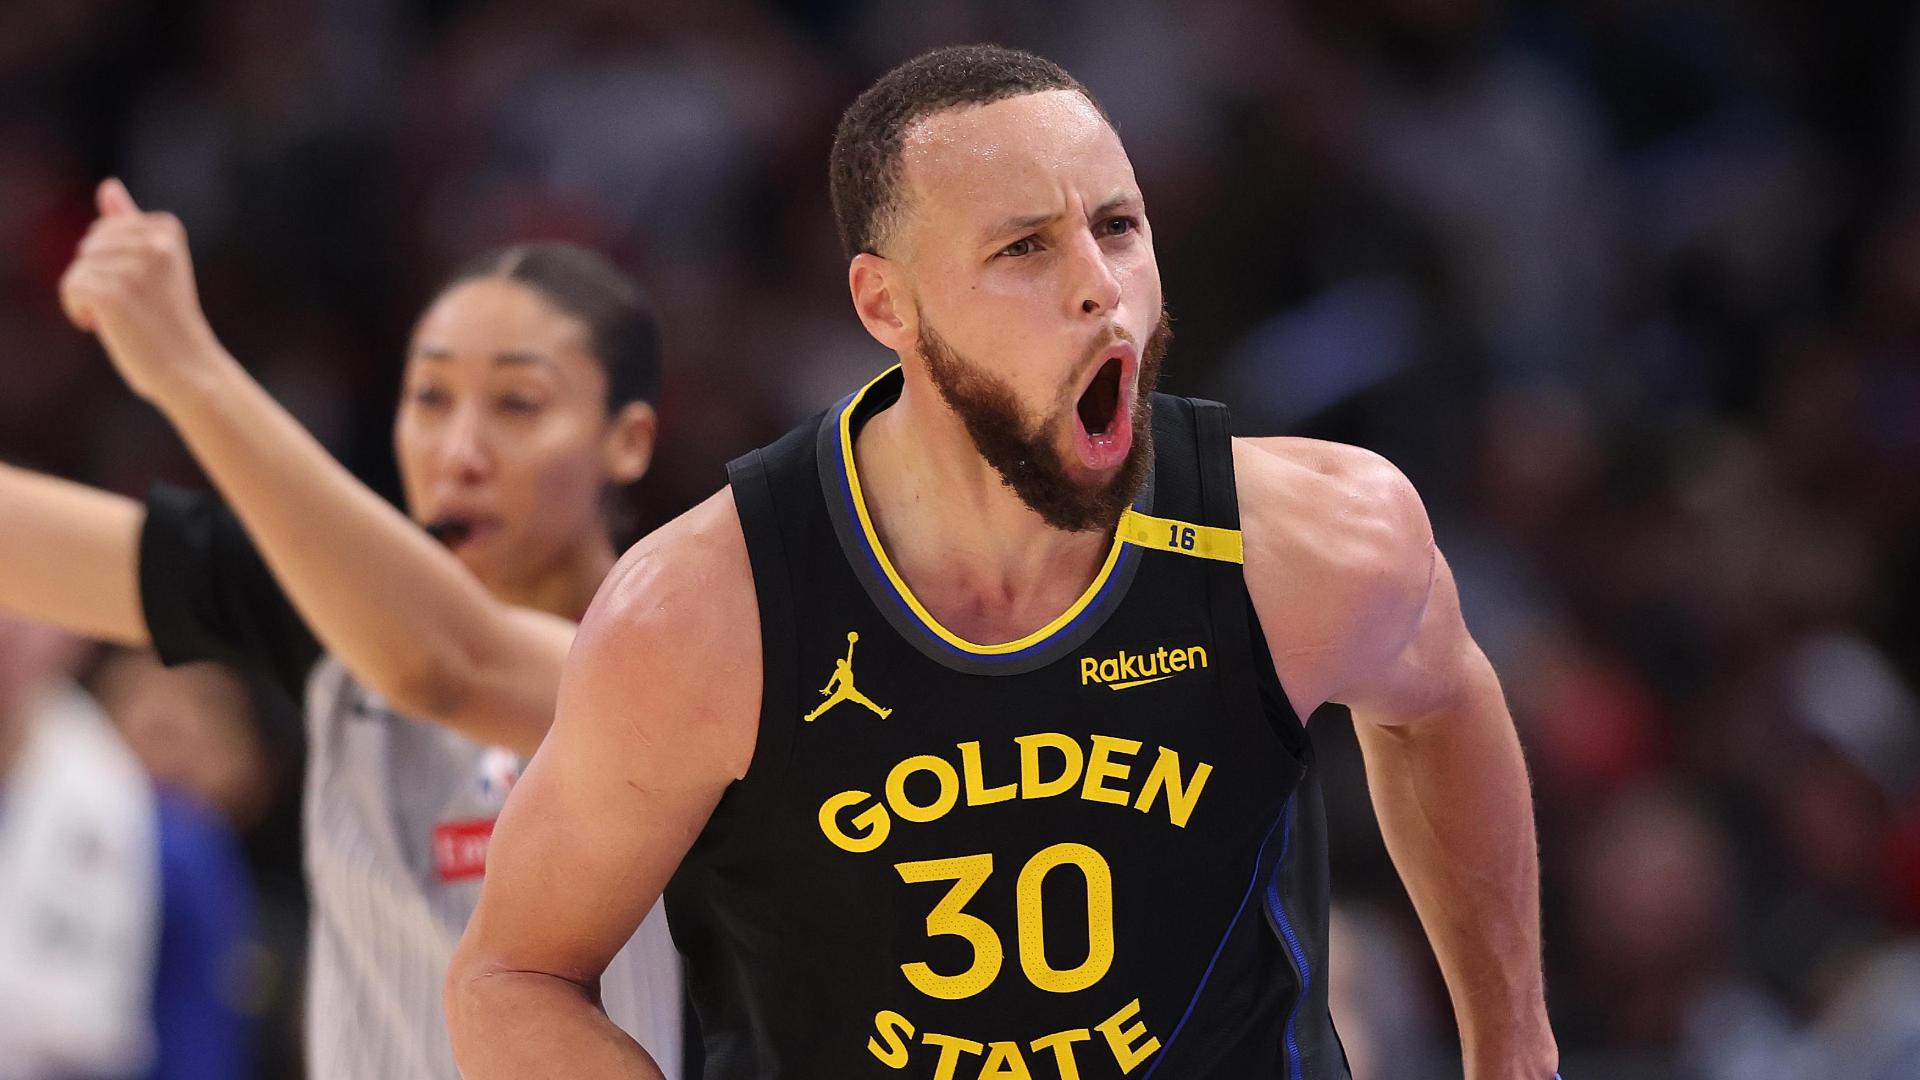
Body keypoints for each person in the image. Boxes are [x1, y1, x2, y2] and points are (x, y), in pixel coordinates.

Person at [448, 44, 1560, 1080]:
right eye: (1025, 247)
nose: (1099, 286)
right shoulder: (706, 613)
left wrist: (1513, 1046)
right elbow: (512, 978)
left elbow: (1438, 705)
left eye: (1118, 227)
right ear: (890, 305)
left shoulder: (1306, 542)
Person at [0, 181, 684, 1077]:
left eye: (517, 404)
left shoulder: (688, 650)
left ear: (626, 441)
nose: (458, 452)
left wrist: (186, 366)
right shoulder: (328, 617)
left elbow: (445, 665)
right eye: (430, 398)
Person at [0, 612, 255, 1080]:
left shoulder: (170, 840)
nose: (4, 629)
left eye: (18, 607)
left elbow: (198, 1053)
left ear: (72, 631)